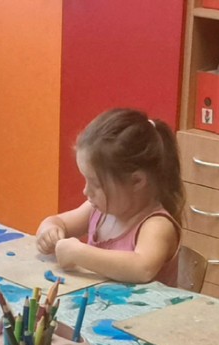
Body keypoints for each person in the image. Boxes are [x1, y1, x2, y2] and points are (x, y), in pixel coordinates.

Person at [35, 108, 183, 284]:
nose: (86, 191)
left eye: (96, 184)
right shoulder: (98, 211)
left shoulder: (157, 225)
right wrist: (49, 231)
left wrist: (79, 253)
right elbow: (58, 222)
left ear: (136, 181)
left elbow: (142, 269)